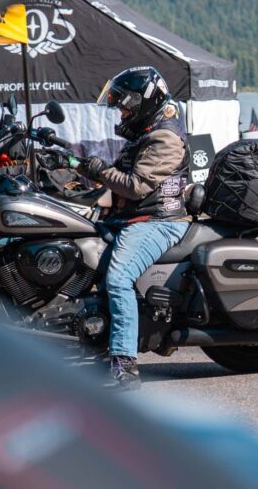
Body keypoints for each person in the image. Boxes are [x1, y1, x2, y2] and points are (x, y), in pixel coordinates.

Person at [74, 67, 191, 389]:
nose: (122, 112)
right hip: (132, 218)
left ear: (144, 102)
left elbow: (137, 186)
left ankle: (124, 365)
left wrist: (99, 171)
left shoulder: (164, 136)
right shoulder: (147, 132)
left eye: (126, 105)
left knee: (119, 277)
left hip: (157, 222)